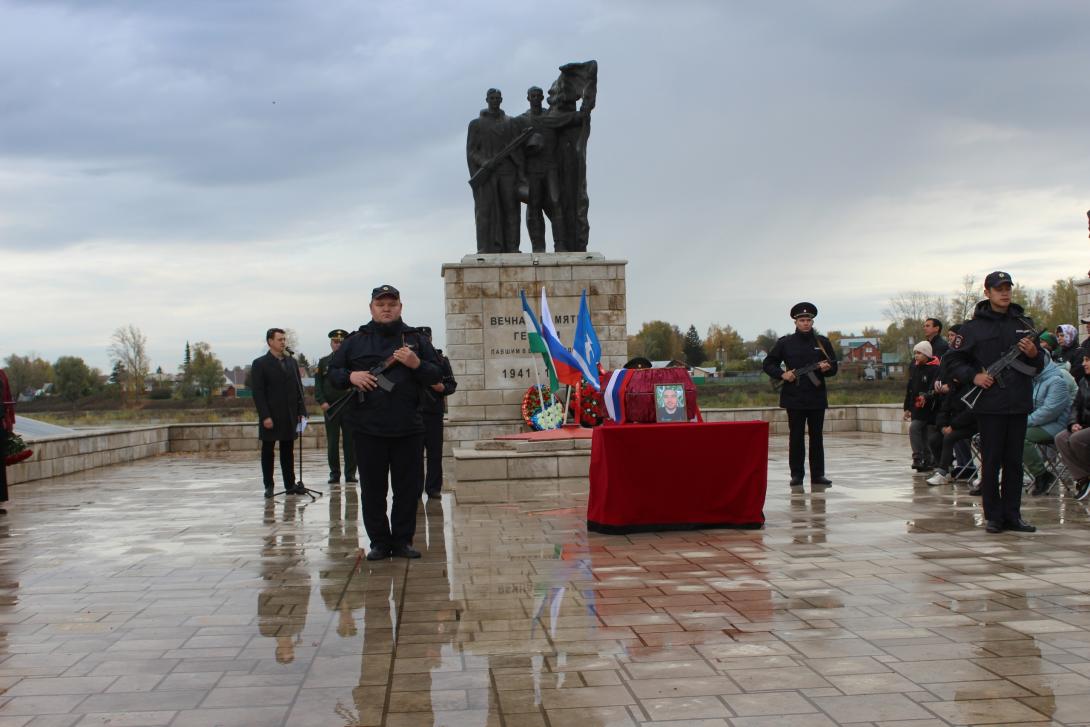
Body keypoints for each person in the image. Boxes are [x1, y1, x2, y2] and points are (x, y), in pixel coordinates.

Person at [328, 285, 443, 560]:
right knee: (373, 490)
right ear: (371, 308)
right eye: (381, 304)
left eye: (392, 303)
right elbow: (333, 372)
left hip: (409, 427)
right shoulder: (356, 341)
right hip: (368, 429)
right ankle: (379, 542)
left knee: (407, 490)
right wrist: (351, 377)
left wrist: (416, 363)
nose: (387, 308)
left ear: (401, 307)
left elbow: (438, 374)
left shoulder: (415, 339)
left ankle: (402, 541)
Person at [946, 271, 1044, 533]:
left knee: (1014, 462)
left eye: (1008, 288)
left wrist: (1034, 353)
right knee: (991, 462)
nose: (1005, 293)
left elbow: (1039, 363)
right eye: (998, 288)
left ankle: (1013, 515)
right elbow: (952, 361)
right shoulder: (972, 328)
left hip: (1019, 402)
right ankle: (994, 516)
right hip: (990, 404)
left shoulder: (1024, 323)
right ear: (987, 292)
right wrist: (974, 376)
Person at [763, 302, 838, 488]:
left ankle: (818, 475)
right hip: (794, 397)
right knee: (796, 438)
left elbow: (834, 367)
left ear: (812, 322)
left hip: (816, 397)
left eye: (808, 320)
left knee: (816, 438)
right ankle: (797, 475)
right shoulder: (785, 343)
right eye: (802, 320)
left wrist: (827, 368)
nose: (806, 323)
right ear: (796, 322)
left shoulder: (822, 343)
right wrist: (782, 374)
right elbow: (768, 363)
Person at [251, 328, 305, 498]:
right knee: (268, 451)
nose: (283, 342)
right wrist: (265, 416)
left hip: (289, 415)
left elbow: (298, 388)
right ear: (270, 342)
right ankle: (269, 485)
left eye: (284, 339)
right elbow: (258, 392)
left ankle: (290, 484)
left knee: (287, 451)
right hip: (271, 416)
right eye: (280, 339)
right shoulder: (260, 363)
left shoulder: (291, 362)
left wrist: (301, 411)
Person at [467, 88, 522, 253]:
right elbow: (471, 151)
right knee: (484, 210)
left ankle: (512, 248)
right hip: (488, 171)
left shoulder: (510, 122)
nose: (495, 100)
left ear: (501, 100)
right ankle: (483, 248)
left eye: (498, 98)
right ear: (487, 100)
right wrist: (484, 162)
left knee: (511, 209)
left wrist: (522, 173)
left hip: (507, 171)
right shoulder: (476, 124)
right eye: (492, 98)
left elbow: (517, 151)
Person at [1023, 348, 1075, 496]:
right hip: (1038, 423)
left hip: (1057, 425)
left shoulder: (1057, 381)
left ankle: (1042, 474)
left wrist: (1025, 421)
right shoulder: (1036, 379)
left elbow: (1050, 412)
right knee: (1007, 432)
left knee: (1020, 436)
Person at [418, 326, 457, 499]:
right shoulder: (409, 361)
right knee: (413, 456)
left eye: (428, 338)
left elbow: (451, 384)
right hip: (414, 414)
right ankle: (415, 489)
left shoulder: (441, 360)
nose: (426, 341)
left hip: (433, 413)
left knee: (434, 454)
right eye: (422, 339)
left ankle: (433, 488)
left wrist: (442, 387)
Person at [315, 329, 357, 485]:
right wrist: (322, 401)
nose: (338, 345)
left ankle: (350, 474)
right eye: (335, 342)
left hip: (348, 406)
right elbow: (318, 384)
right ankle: (334, 473)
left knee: (350, 443)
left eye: (341, 342)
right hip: (331, 408)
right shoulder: (324, 362)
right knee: (332, 442)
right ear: (331, 343)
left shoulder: (352, 361)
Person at [1054, 355, 1090, 501]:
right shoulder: (1084, 381)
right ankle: (1083, 478)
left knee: (1076, 439)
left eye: (1087, 360)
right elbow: (1076, 406)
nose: (1083, 364)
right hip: (1084, 425)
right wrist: (1073, 423)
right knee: (1061, 438)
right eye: (1083, 360)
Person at [903, 341, 941, 471]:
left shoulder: (935, 369)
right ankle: (927, 460)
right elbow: (910, 389)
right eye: (915, 353)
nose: (916, 356)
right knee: (924, 434)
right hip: (917, 407)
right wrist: (907, 408)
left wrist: (926, 396)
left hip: (930, 408)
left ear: (926, 354)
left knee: (915, 428)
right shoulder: (914, 367)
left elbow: (935, 388)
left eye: (919, 353)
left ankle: (917, 457)